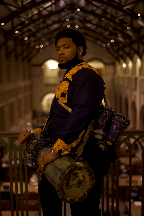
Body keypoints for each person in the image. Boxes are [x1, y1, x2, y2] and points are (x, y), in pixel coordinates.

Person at [19, 29, 117, 216]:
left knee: (83, 210)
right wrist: (33, 133)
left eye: (66, 47)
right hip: (65, 156)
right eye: (57, 49)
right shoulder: (72, 74)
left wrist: (55, 151)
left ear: (80, 50)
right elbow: (60, 117)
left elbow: (82, 115)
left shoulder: (87, 75)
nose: (60, 52)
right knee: (48, 196)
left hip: (84, 157)